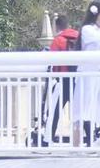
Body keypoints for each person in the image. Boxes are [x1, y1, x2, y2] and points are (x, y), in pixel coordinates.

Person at [34, 12, 81, 147]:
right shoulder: (78, 37)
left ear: (56, 27)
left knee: (54, 111)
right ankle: (90, 137)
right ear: (68, 25)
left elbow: (53, 63)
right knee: (79, 110)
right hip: (78, 80)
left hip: (63, 80)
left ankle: (47, 139)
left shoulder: (58, 40)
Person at [77, 2, 100, 147]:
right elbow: (99, 38)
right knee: (85, 110)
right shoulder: (87, 29)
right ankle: (88, 141)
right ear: (95, 12)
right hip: (88, 76)